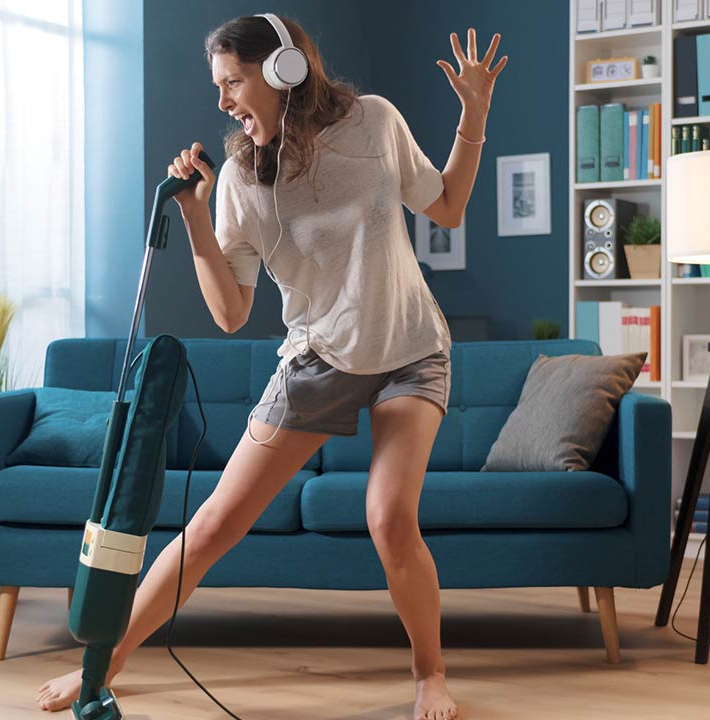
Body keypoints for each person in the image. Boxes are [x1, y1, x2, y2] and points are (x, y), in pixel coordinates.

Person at [38, 14, 505, 720]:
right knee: (214, 526)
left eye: (233, 81)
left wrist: (475, 116)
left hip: (410, 350)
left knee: (389, 519)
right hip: (317, 360)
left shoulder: (374, 122)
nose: (223, 100)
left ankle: (429, 675)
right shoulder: (239, 179)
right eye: (218, 87)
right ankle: (101, 665)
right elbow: (230, 312)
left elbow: (447, 203)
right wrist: (197, 220)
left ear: (285, 70)